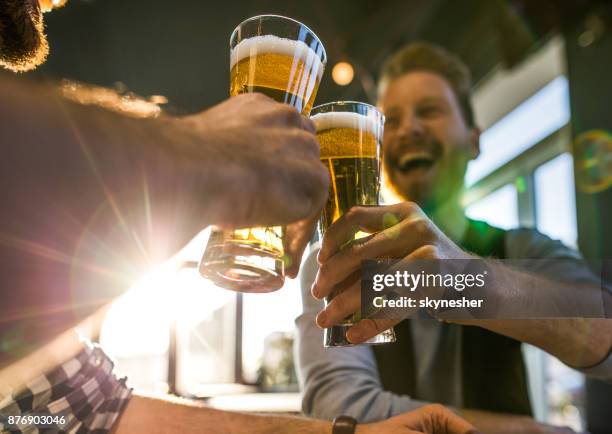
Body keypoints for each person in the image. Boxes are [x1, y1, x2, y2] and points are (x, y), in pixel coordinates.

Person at [0, 2, 478, 433]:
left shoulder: (520, 252)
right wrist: (210, 157)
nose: (54, 1)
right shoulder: (324, 265)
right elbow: (340, 396)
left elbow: (88, 410)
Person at [296, 42, 612, 433]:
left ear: (475, 141)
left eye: (429, 111)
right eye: (391, 120)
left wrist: (471, 280)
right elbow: (337, 407)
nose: (409, 129)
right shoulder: (336, 257)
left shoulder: (523, 249)